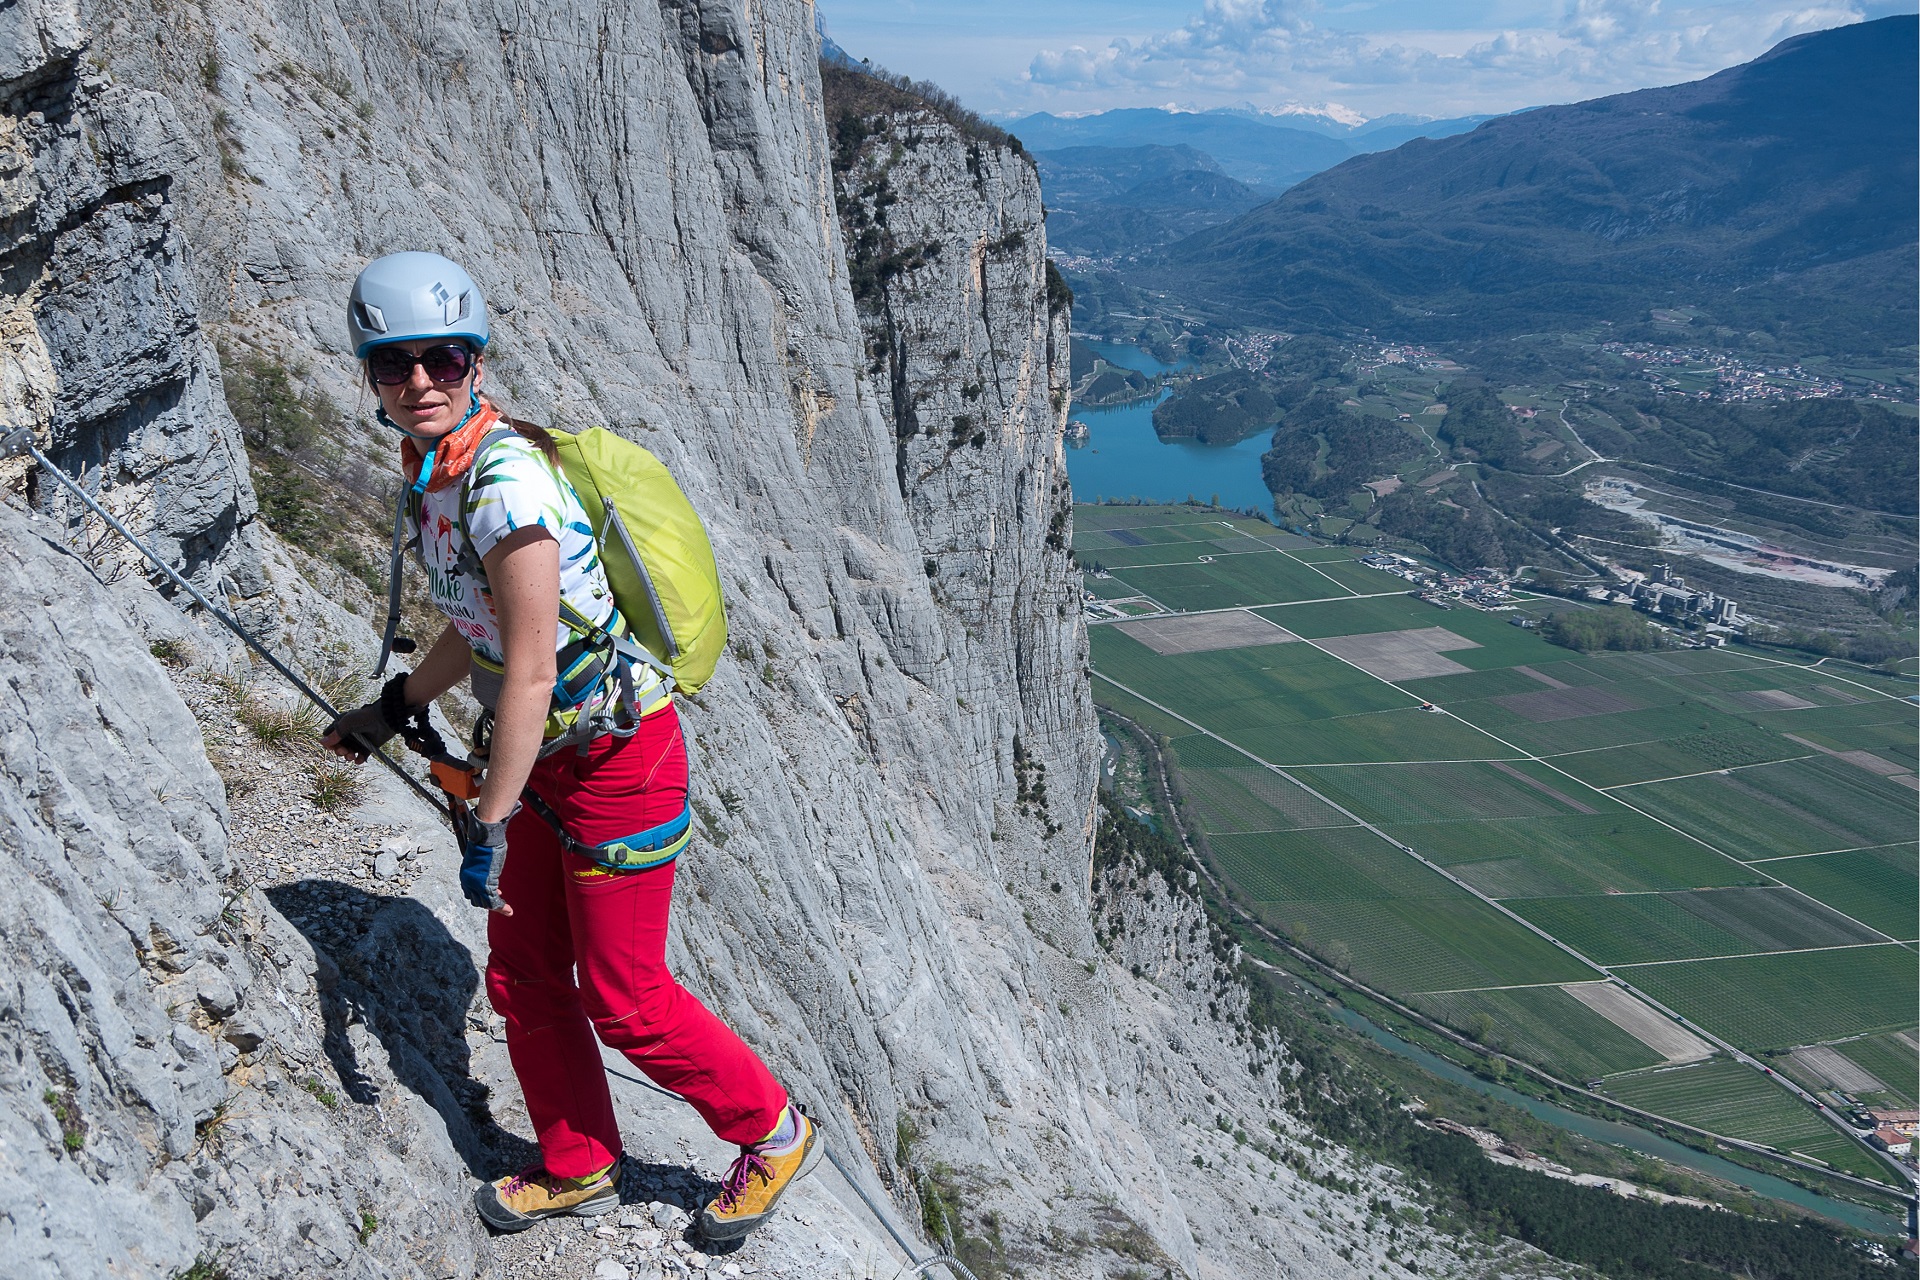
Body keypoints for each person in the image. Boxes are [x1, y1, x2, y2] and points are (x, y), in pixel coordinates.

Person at [320, 251, 817, 1239]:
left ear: (473, 359)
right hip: (548, 756)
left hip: (615, 760)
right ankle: (579, 1159)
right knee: (521, 967)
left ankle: (774, 1127)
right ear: (370, 373)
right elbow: (481, 626)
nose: (418, 380)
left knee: (626, 995)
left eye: (441, 359)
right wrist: (393, 706)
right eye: (393, 364)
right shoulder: (437, 471)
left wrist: (488, 822)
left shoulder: (507, 484)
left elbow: (535, 669)